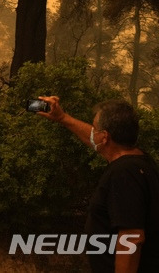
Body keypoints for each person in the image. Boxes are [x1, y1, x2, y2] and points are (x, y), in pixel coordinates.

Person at [38, 96, 159, 272]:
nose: (92, 132)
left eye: (95, 128)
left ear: (105, 137)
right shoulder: (141, 162)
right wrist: (63, 118)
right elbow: (96, 140)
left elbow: (132, 238)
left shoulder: (124, 173)